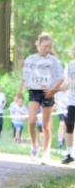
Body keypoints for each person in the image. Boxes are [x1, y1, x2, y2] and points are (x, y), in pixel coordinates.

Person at [20, 33, 65, 163]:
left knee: (46, 125)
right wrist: (22, 89)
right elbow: (25, 77)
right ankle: (34, 146)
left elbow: (60, 78)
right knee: (32, 121)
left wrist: (52, 90)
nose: (47, 49)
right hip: (34, 92)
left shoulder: (54, 61)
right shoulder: (31, 59)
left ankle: (46, 153)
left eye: (49, 47)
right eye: (45, 46)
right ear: (38, 45)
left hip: (48, 93)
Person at [62, 45, 75, 165]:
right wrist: (54, 90)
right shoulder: (70, 66)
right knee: (69, 125)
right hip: (72, 101)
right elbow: (65, 82)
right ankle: (70, 154)